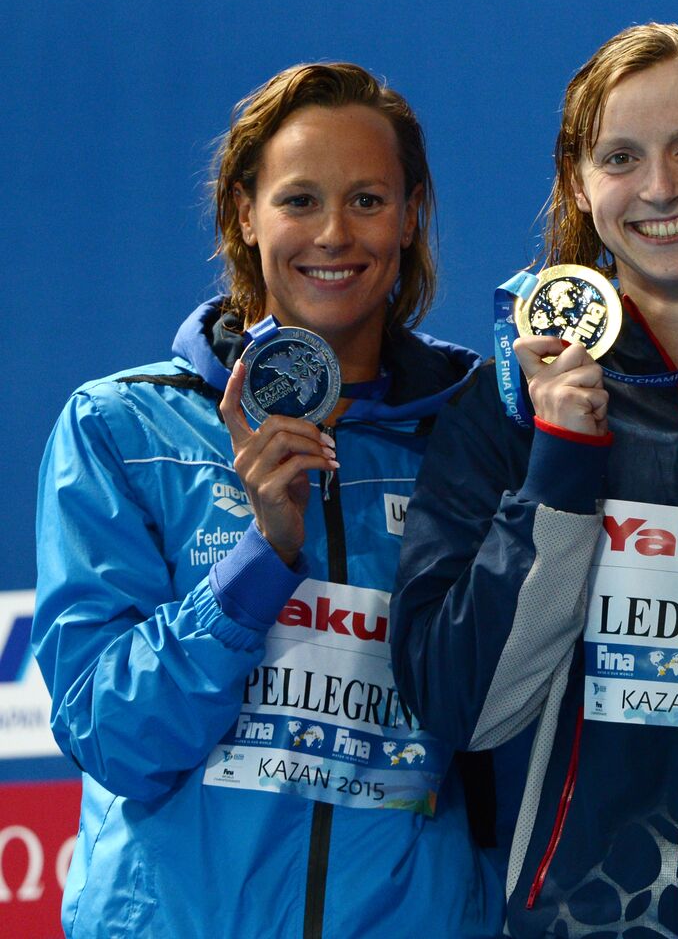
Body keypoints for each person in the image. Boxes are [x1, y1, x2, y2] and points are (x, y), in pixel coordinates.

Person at [34, 62, 502, 938]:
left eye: (368, 200)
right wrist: (256, 567)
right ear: (244, 215)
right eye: (299, 201)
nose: (334, 233)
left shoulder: (472, 437)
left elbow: (507, 725)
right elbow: (113, 734)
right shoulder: (125, 429)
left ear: (410, 218)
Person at [391, 24, 678, 938]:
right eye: (621, 157)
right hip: (583, 915)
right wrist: (562, 467)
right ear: (581, 186)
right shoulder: (507, 408)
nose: (661, 187)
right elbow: (461, 710)